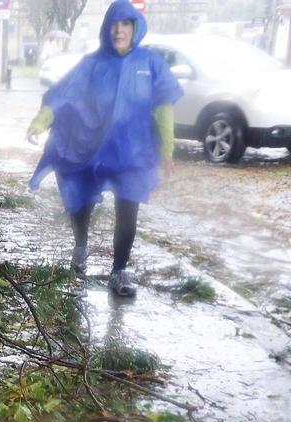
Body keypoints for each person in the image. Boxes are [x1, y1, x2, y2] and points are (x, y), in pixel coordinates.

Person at [26, 0, 182, 297]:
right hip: (91, 146)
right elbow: (62, 97)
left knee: (129, 206)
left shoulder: (150, 64)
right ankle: (81, 245)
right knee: (79, 196)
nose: (119, 30)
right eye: (114, 24)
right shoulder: (92, 64)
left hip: (132, 151)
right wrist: (40, 122)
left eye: (125, 24)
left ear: (135, 28)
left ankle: (119, 270)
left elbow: (164, 109)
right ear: (105, 28)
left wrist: (166, 150)